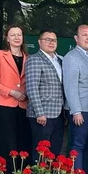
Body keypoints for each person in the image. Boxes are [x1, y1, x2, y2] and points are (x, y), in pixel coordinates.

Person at [0, 25, 31, 174]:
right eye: (13, 35)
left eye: (19, 35)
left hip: (23, 105)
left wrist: (25, 93)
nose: (16, 38)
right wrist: (11, 92)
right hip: (4, 104)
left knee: (22, 142)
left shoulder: (28, 57)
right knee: (5, 142)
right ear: (7, 38)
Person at [63, 24, 88, 174]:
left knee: (86, 147)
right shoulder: (71, 57)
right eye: (84, 35)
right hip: (80, 110)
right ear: (76, 38)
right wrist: (76, 111)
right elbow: (70, 87)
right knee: (78, 146)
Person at [25, 29, 66, 160]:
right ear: (39, 42)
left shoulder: (60, 60)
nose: (51, 42)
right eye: (47, 39)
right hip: (42, 115)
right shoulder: (34, 60)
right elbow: (32, 88)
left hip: (59, 113)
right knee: (40, 153)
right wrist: (39, 113)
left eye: (54, 40)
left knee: (55, 151)